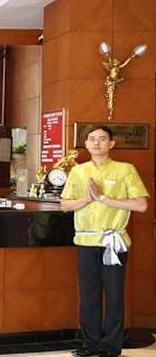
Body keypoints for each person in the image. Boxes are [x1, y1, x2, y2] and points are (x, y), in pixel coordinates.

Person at [60, 125, 148, 357]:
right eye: (92, 139)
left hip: (113, 243)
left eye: (101, 139)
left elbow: (141, 205)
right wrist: (86, 200)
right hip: (85, 242)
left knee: (114, 294)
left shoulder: (125, 169)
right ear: (86, 144)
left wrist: (103, 198)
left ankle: (110, 346)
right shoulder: (78, 171)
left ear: (111, 144)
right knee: (89, 295)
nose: (96, 143)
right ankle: (90, 343)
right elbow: (65, 205)